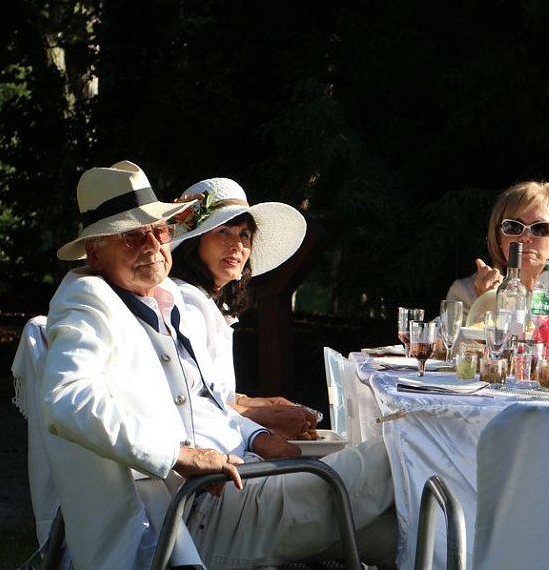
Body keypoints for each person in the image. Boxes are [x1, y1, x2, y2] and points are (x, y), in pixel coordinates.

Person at [41, 161, 396, 570]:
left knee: (401, 534)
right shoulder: (88, 299)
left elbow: (207, 400)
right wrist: (177, 454)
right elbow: (66, 397)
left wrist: (256, 435)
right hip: (202, 513)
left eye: (158, 231)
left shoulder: (160, 301)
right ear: (94, 253)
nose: (153, 246)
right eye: (132, 237)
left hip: (239, 485)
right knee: (397, 453)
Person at [168, 177, 319, 440]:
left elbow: (211, 391)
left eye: (244, 234)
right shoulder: (186, 303)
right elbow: (187, 402)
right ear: (194, 243)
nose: (237, 245)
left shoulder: (209, 303)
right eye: (223, 231)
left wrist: (253, 402)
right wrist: (261, 418)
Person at [447, 180, 549, 324]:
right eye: (513, 226)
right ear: (499, 237)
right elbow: (453, 352)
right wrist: (488, 301)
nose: (525, 237)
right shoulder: (465, 292)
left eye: (540, 228)